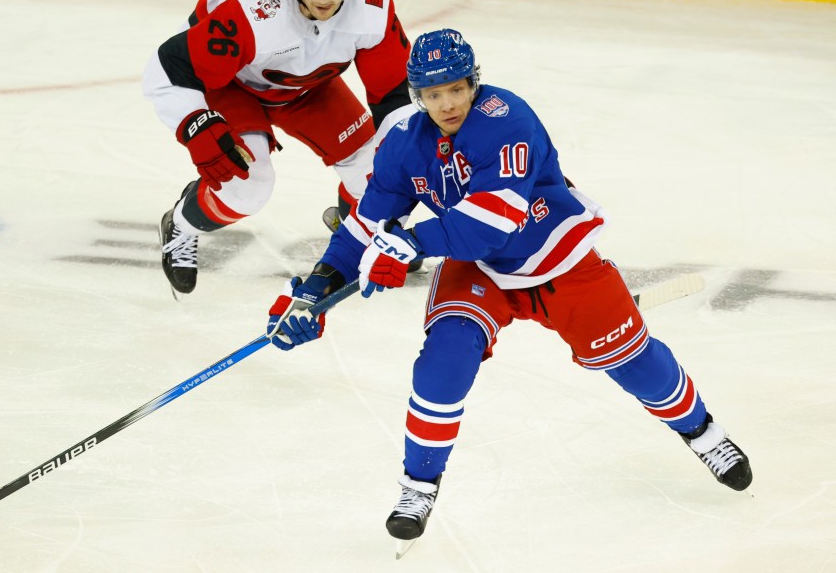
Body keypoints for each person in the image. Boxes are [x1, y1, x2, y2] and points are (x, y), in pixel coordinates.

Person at [264, 28, 752, 546]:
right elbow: (366, 226)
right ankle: (418, 486)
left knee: (631, 361)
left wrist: (409, 242)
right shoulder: (404, 141)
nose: (447, 103)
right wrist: (317, 287)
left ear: (474, 81)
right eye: (433, 94)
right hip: (479, 270)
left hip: (554, 253)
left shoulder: (506, 118)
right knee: (444, 360)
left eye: (456, 88)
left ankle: (704, 433)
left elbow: (492, 221)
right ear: (416, 96)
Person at [143, 0, 412, 296]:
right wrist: (195, 125)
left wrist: (401, 151)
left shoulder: (371, 6)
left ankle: (357, 226)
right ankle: (180, 225)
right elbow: (170, 64)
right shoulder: (254, 7)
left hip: (309, 88)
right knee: (247, 187)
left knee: (379, 174)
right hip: (232, 84)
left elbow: (394, 93)